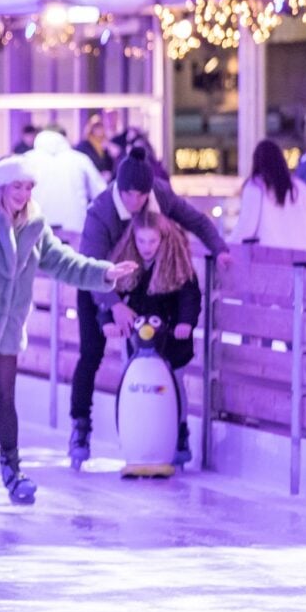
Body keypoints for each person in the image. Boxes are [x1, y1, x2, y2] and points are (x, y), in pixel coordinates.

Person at [0, 154, 131, 504]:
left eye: (29, 186)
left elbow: (63, 262)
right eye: (17, 186)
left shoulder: (35, 225)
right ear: (1, 186)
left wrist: (104, 273)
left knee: (5, 398)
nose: (23, 193)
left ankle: (12, 470)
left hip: (6, 331)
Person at [69, 146, 227, 467]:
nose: (135, 201)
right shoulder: (100, 212)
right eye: (128, 194)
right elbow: (88, 268)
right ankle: (80, 429)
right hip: (97, 287)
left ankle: (170, 432)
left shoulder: (160, 196)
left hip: (138, 288)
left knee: (160, 358)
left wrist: (219, 248)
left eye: (141, 195)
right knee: (91, 354)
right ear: (118, 189)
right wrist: (112, 306)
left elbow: (195, 219)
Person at [103, 210, 202, 464]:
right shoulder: (126, 266)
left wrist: (185, 323)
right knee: (134, 383)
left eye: (152, 242)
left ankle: (179, 432)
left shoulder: (178, 266)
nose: (147, 248)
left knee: (175, 384)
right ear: (133, 240)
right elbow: (108, 296)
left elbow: (190, 297)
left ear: (163, 240)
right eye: (141, 241)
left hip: (171, 341)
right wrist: (108, 323)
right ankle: (134, 433)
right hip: (137, 341)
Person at [230, 139, 306, 249]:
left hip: (268, 259)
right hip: (302, 258)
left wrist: (225, 247)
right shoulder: (300, 188)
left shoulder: (255, 187)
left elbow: (246, 228)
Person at [29, 126, 105, 234]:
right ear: (64, 139)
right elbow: (101, 194)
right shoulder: (80, 160)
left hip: (35, 229)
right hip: (75, 228)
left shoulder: (26, 161)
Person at [77, 114, 115, 180]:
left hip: (104, 180)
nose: (99, 130)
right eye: (96, 128)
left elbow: (109, 164)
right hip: (90, 179)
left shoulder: (106, 145)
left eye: (101, 127)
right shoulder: (84, 145)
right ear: (91, 129)